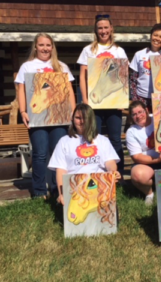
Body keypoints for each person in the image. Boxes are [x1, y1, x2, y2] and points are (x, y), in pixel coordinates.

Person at [15, 33, 76, 199]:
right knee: (40, 154)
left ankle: (58, 190)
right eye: (41, 45)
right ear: (35, 47)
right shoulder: (27, 67)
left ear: (52, 47)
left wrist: (73, 111)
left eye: (48, 45)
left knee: (58, 153)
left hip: (59, 117)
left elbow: (69, 90)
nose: (45, 48)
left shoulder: (61, 66)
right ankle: (39, 191)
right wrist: (23, 111)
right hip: (37, 118)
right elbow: (21, 90)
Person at [77, 14, 127, 174]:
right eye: (100, 28)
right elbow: (83, 77)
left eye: (106, 27)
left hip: (114, 103)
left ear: (111, 29)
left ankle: (118, 175)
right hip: (94, 103)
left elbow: (124, 76)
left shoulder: (119, 51)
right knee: (93, 138)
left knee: (115, 139)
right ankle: (96, 173)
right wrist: (85, 101)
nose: (103, 31)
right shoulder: (88, 50)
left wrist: (122, 99)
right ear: (96, 30)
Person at [48, 103, 121, 205]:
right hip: (74, 187)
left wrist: (113, 172)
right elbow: (61, 170)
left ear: (91, 119)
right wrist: (62, 194)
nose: (82, 122)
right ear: (73, 119)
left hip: (99, 186)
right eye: (78, 118)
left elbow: (110, 162)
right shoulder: (64, 141)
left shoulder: (102, 140)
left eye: (85, 118)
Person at [126, 100, 161, 205]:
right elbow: (136, 157)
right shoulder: (131, 131)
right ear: (131, 117)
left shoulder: (159, 118)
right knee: (137, 174)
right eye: (134, 114)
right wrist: (157, 160)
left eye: (140, 112)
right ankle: (149, 193)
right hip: (148, 164)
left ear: (146, 110)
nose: (138, 116)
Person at [130, 23, 161, 112]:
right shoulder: (139, 54)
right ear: (151, 36)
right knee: (142, 124)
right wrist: (135, 99)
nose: (157, 39)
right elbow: (133, 79)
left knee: (158, 125)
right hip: (141, 97)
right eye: (155, 35)